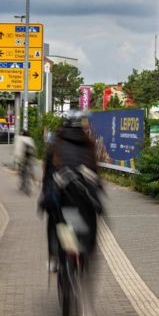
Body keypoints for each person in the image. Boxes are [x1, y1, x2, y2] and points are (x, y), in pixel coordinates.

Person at [39, 109, 102, 272]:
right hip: (85, 197)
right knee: (90, 221)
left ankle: (53, 257)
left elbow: (47, 173)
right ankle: (86, 255)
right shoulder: (89, 144)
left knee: (54, 220)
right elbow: (95, 174)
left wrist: (45, 196)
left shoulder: (55, 144)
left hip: (61, 196)